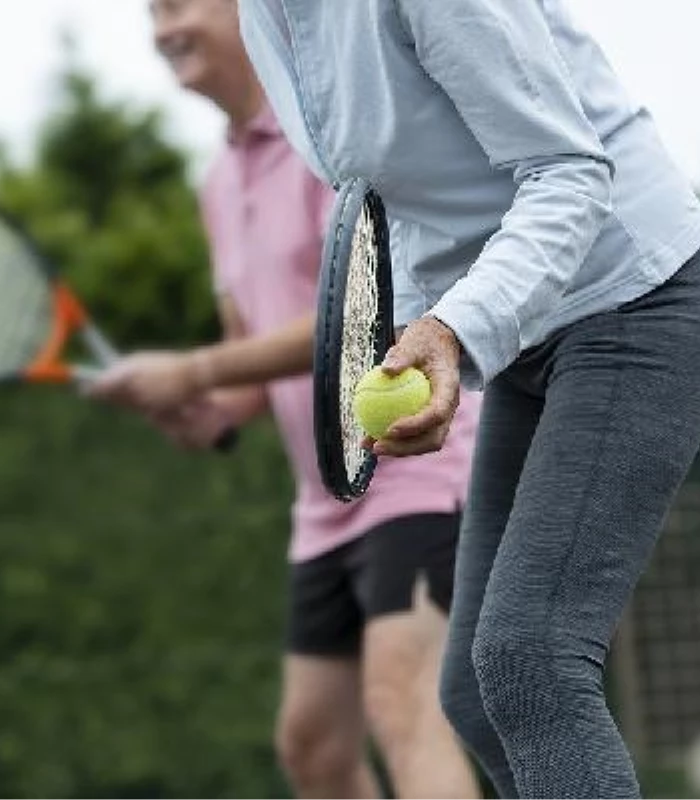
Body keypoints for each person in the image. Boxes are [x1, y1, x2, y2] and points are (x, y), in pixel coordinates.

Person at [96, 0, 700, 797]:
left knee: (528, 658)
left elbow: (571, 174)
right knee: (474, 691)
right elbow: (392, 210)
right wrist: (408, 335)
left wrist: (452, 331)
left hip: (638, 297)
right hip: (532, 338)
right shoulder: (272, 18)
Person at [125, 1, 483, 798]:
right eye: (151, 12)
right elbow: (254, 374)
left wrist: (192, 371)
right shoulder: (216, 185)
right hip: (321, 504)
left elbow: (367, 313)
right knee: (313, 748)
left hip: (419, 466)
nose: (161, 30)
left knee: (405, 706)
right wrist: (211, 410)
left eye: (177, 5)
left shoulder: (331, 133)